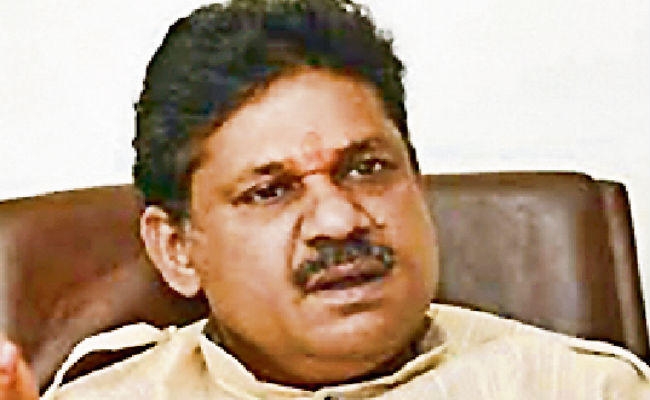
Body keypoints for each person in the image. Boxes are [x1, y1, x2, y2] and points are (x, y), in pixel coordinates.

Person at [1, 0, 649, 398]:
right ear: (177, 249)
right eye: (270, 191)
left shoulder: (587, 390)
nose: (339, 220)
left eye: (368, 169)